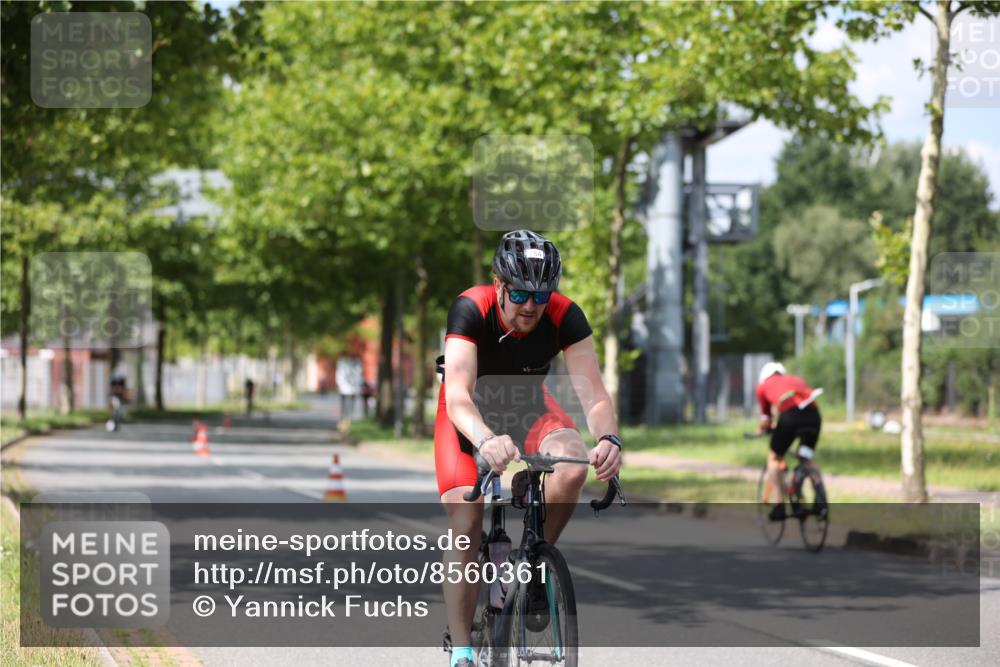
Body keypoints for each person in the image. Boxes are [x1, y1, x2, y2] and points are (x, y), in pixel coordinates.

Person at [435, 229, 622, 667]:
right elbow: (458, 395)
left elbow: (594, 394)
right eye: (519, 293)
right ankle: (462, 650)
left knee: (572, 465)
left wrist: (608, 439)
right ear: (499, 285)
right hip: (469, 414)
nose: (530, 306)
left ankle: (533, 566)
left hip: (528, 407)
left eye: (541, 295)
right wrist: (485, 439)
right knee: (466, 519)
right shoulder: (471, 307)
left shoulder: (565, 315)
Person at [756, 361, 824, 520]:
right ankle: (821, 500)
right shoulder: (797, 379)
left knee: (774, 458)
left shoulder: (762, 386)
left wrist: (763, 429)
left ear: (764, 376)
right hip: (814, 417)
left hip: (790, 418)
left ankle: (779, 506)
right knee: (806, 457)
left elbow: (766, 418)